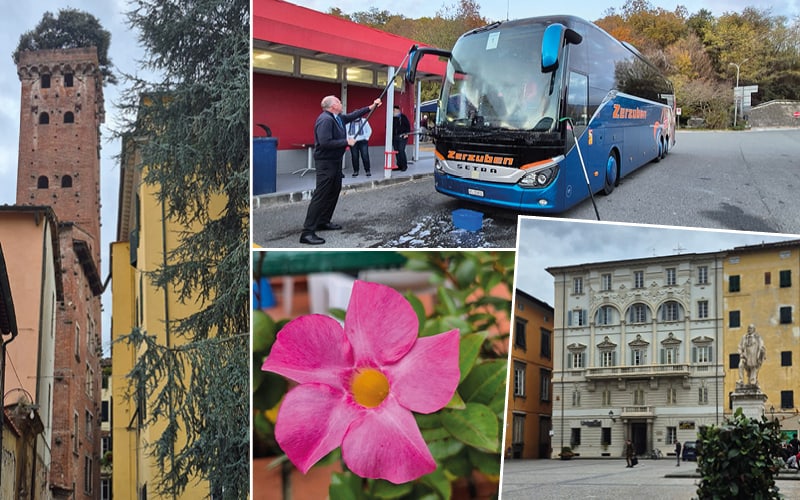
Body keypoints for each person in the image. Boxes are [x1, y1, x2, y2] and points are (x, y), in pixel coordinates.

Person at [300, 95, 381, 245]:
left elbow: (353, 115)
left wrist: (371, 107)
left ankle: (323, 221)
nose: (341, 103)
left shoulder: (337, 117)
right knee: (321, 194)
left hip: (335, 161)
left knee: (333, 191)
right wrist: (346, 141)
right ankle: (307, 232)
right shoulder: (325, 120)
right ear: (332, 106)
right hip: (326, 163)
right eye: (338, 101)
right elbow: (325, 142)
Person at [392, 105, 411, 171]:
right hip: (394, 137)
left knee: (401, 150)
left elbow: (408, 126)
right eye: (393, 110)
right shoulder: (392, 118)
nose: (394, 112)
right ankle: (399, 165)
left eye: (395, 110)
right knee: (396, 151)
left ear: (398, 110)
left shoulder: (403, 117)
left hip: (402, 136)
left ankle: (404, 165)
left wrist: (407, 133)